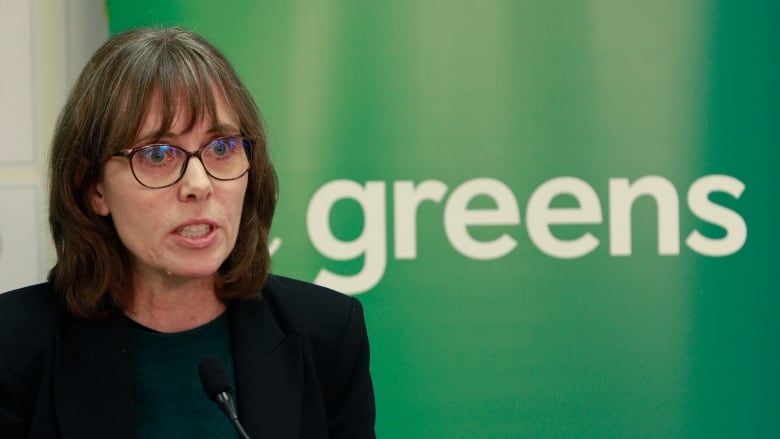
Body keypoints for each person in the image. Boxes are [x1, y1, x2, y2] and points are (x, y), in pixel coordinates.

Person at [0, 27, 375, 438]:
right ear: (94, 188)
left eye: (221, 148)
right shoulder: (14, 348)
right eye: (157, 154)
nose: (199, 184)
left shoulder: (327, 334)